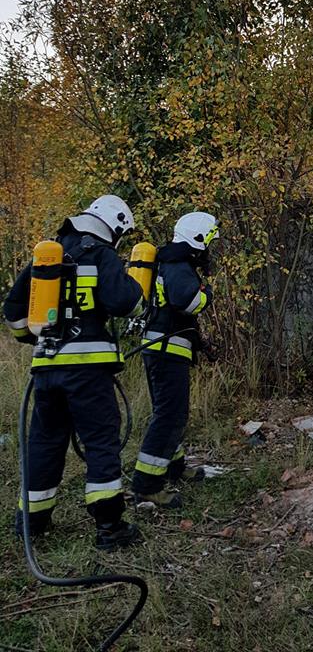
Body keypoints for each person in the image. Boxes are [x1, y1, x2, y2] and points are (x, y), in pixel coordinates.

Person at [4, 195, 144, 550]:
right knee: (100, 440)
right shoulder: (102, 254)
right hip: (88, 372)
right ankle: (110, 527)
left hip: (47, 370)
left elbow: (14, 312)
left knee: (45, 441)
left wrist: (37, 338)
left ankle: (31, 522)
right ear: (113, 228)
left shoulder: (49, 254)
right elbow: (124, 302)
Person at [132, 211, 218, 509]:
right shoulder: (179, 265)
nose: (209, 250)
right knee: (171, 415)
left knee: (169, 412)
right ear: (198, 239)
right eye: (208, 242)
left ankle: (174, 466)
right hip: (167, 349)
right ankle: (147, 485)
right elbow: (188, 301)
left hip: (159, 347)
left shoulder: (167, 260)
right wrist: (207, 293)